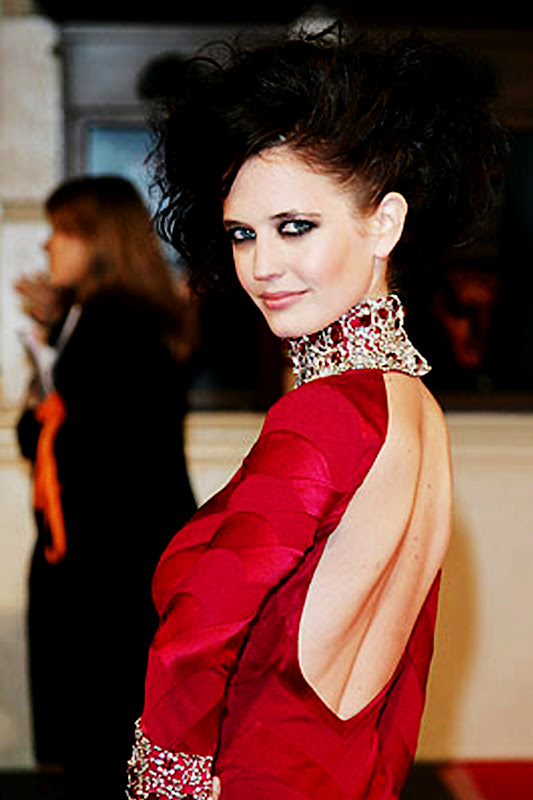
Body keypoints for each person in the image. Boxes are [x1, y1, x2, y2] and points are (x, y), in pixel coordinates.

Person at [126, 25, 508, 800]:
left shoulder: (329, 415)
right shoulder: (413, 404)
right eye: (241, 234)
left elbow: (195, 638)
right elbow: (402, 685)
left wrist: (161, 781)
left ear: (383, 223)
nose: (261, 265)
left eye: (294, 226)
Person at [15, 175, 198, 796]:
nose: (49, 245)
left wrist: (38, 412)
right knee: (116, 737)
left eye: (62, 231)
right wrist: (55, 330)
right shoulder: (114, 318)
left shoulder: (114, 326)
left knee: (105, 742)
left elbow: (77, 444)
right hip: (122, 559)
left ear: (99, 240)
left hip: (109, 569)